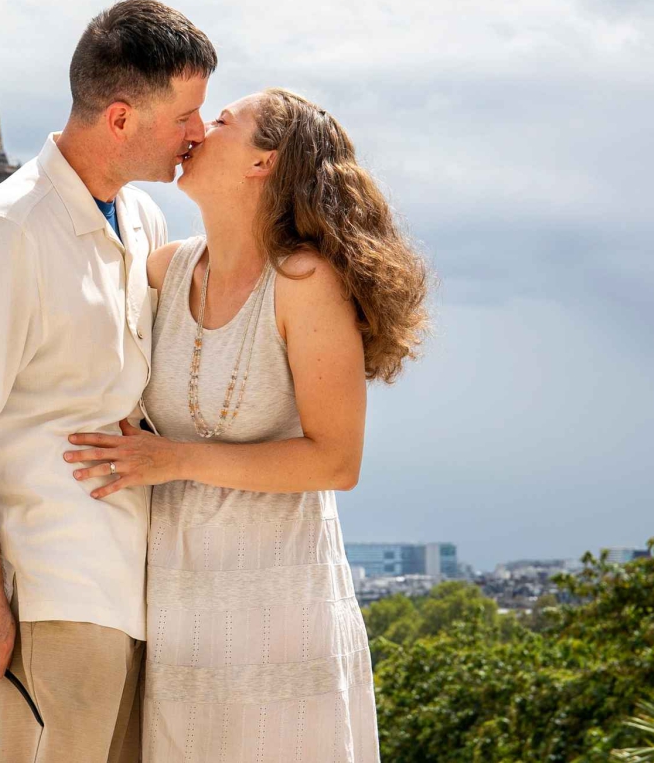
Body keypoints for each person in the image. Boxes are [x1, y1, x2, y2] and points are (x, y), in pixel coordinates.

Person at [62, 87, 432, 760]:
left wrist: (174, 460)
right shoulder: (165, 270)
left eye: (222, 120)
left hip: (281, 612)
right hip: (179, 616)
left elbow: (336, 461)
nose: (197, 130)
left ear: (264, 162)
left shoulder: (305, 282)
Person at [0, 0, 216, 762]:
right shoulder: (5, 230)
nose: (199, 132)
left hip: (131, 589)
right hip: (46, 591)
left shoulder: (144, 221)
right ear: (120, 118)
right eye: (186, 115)